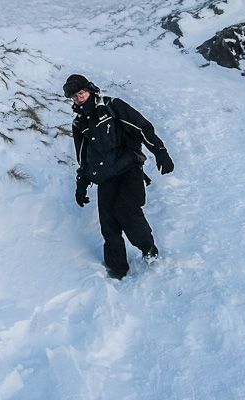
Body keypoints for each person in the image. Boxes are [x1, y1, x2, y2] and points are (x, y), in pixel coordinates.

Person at [64, 74, 175, 280]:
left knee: (127, 211)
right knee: (108, 225)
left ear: (90, 90)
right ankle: (117, 270)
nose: (79, 99)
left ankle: (148, 249)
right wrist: (82, 184)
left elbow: (143, 128)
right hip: (105, 177)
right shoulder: (79, 123)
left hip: (128, 169)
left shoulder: (112, 106)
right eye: (74, 97)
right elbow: (83, 156)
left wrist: (160, 152)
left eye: (81, 93)